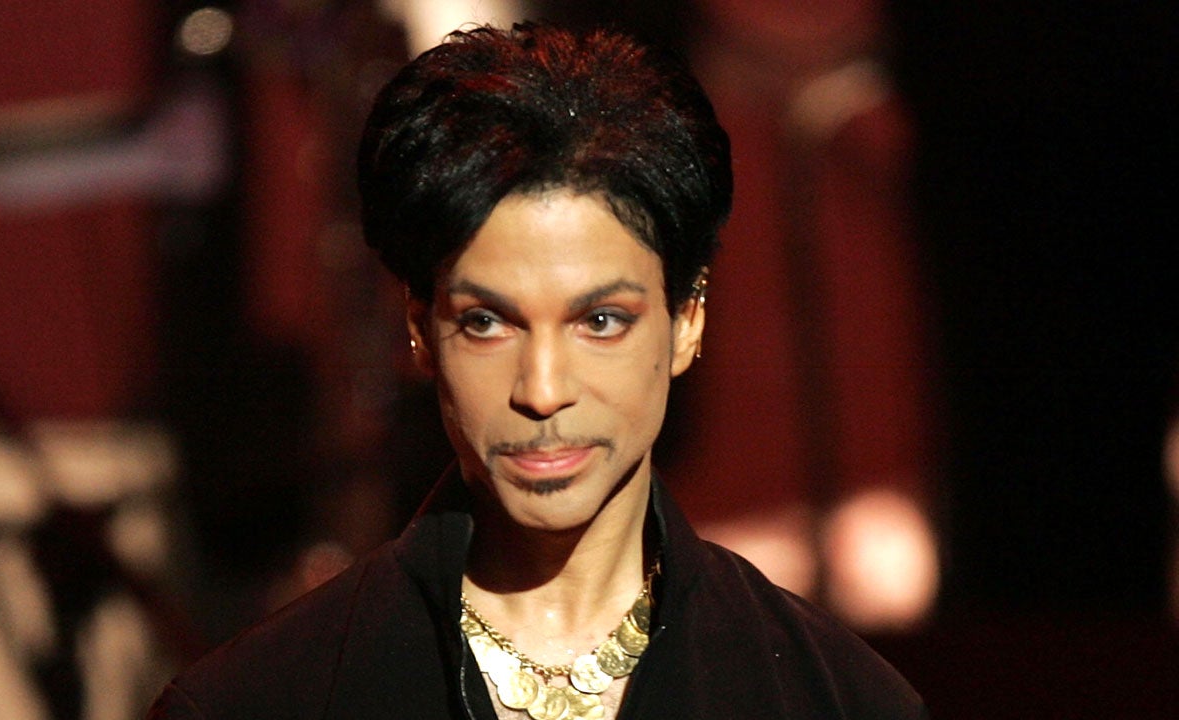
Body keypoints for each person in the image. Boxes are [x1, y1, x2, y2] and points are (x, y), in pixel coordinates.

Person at [148, 22, 926, 720]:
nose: (543, 390)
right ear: (421, 330)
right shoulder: (259, 701)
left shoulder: (834, 698)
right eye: (487, 323)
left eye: (601, 322)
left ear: (687, 321)